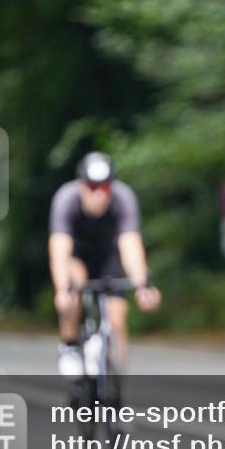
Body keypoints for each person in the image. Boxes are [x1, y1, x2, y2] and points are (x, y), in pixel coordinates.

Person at [49, 151, 161, 379]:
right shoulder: (66, 199)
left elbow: (130, 246)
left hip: (109, 256)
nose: (99, 195)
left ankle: (114, 380)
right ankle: (70, 345)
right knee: (74, 284)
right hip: (77, 256)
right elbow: (60, 249)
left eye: (105, 188)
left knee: (117, 318)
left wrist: (142, 286)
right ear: (81, 186)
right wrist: (62, 291)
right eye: (92, 188)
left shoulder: (123, 197)